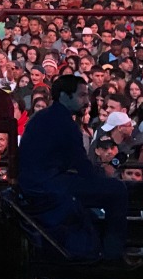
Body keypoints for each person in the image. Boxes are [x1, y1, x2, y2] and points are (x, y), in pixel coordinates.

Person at [17, 74, 131, 263]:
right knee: (117, 190)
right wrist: (103, 177)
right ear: (63, 96)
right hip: (48, 189)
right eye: (81, 96)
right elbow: (83, 167)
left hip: (37, 185)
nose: (87, 101)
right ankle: (113, 256)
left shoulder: (42, 117)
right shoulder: (65, 124)